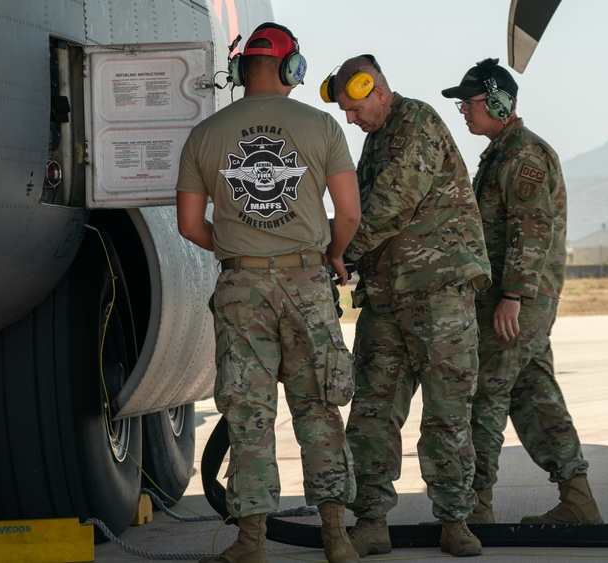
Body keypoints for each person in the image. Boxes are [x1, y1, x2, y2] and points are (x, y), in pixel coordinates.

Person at [175, 22, 361, 563]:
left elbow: (189, 225)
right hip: (307, 283)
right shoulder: (322, 126)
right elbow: (348, 213)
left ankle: (252, 541)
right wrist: (330, 255)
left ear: (239, 71)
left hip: (241, 288)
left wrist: (239, 253)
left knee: (248, 414)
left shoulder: (205, 134)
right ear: (291, 70)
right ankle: (336, 538)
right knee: (319, 409)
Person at [320, 54, 491, 557]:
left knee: (446, 412)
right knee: (373, 410)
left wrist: (337, 252)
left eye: (354, 109)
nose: (351, 120)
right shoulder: (378, 140)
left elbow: (389, 203)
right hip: (388, 298)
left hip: (438, 292)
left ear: (376, 90)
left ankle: (456, 521)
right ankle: (371, 521)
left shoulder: (415, 123)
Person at [441, 58, 604, 526]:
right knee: (534, 393)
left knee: (485, 392)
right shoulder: (503, 152)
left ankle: (476, 509)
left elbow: (529, 229)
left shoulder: (523, 156)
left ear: (497, 102)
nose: (465, 113)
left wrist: (512, 296)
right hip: (516, 298)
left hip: (518, 301)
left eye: (469, 104)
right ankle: (578, 500)